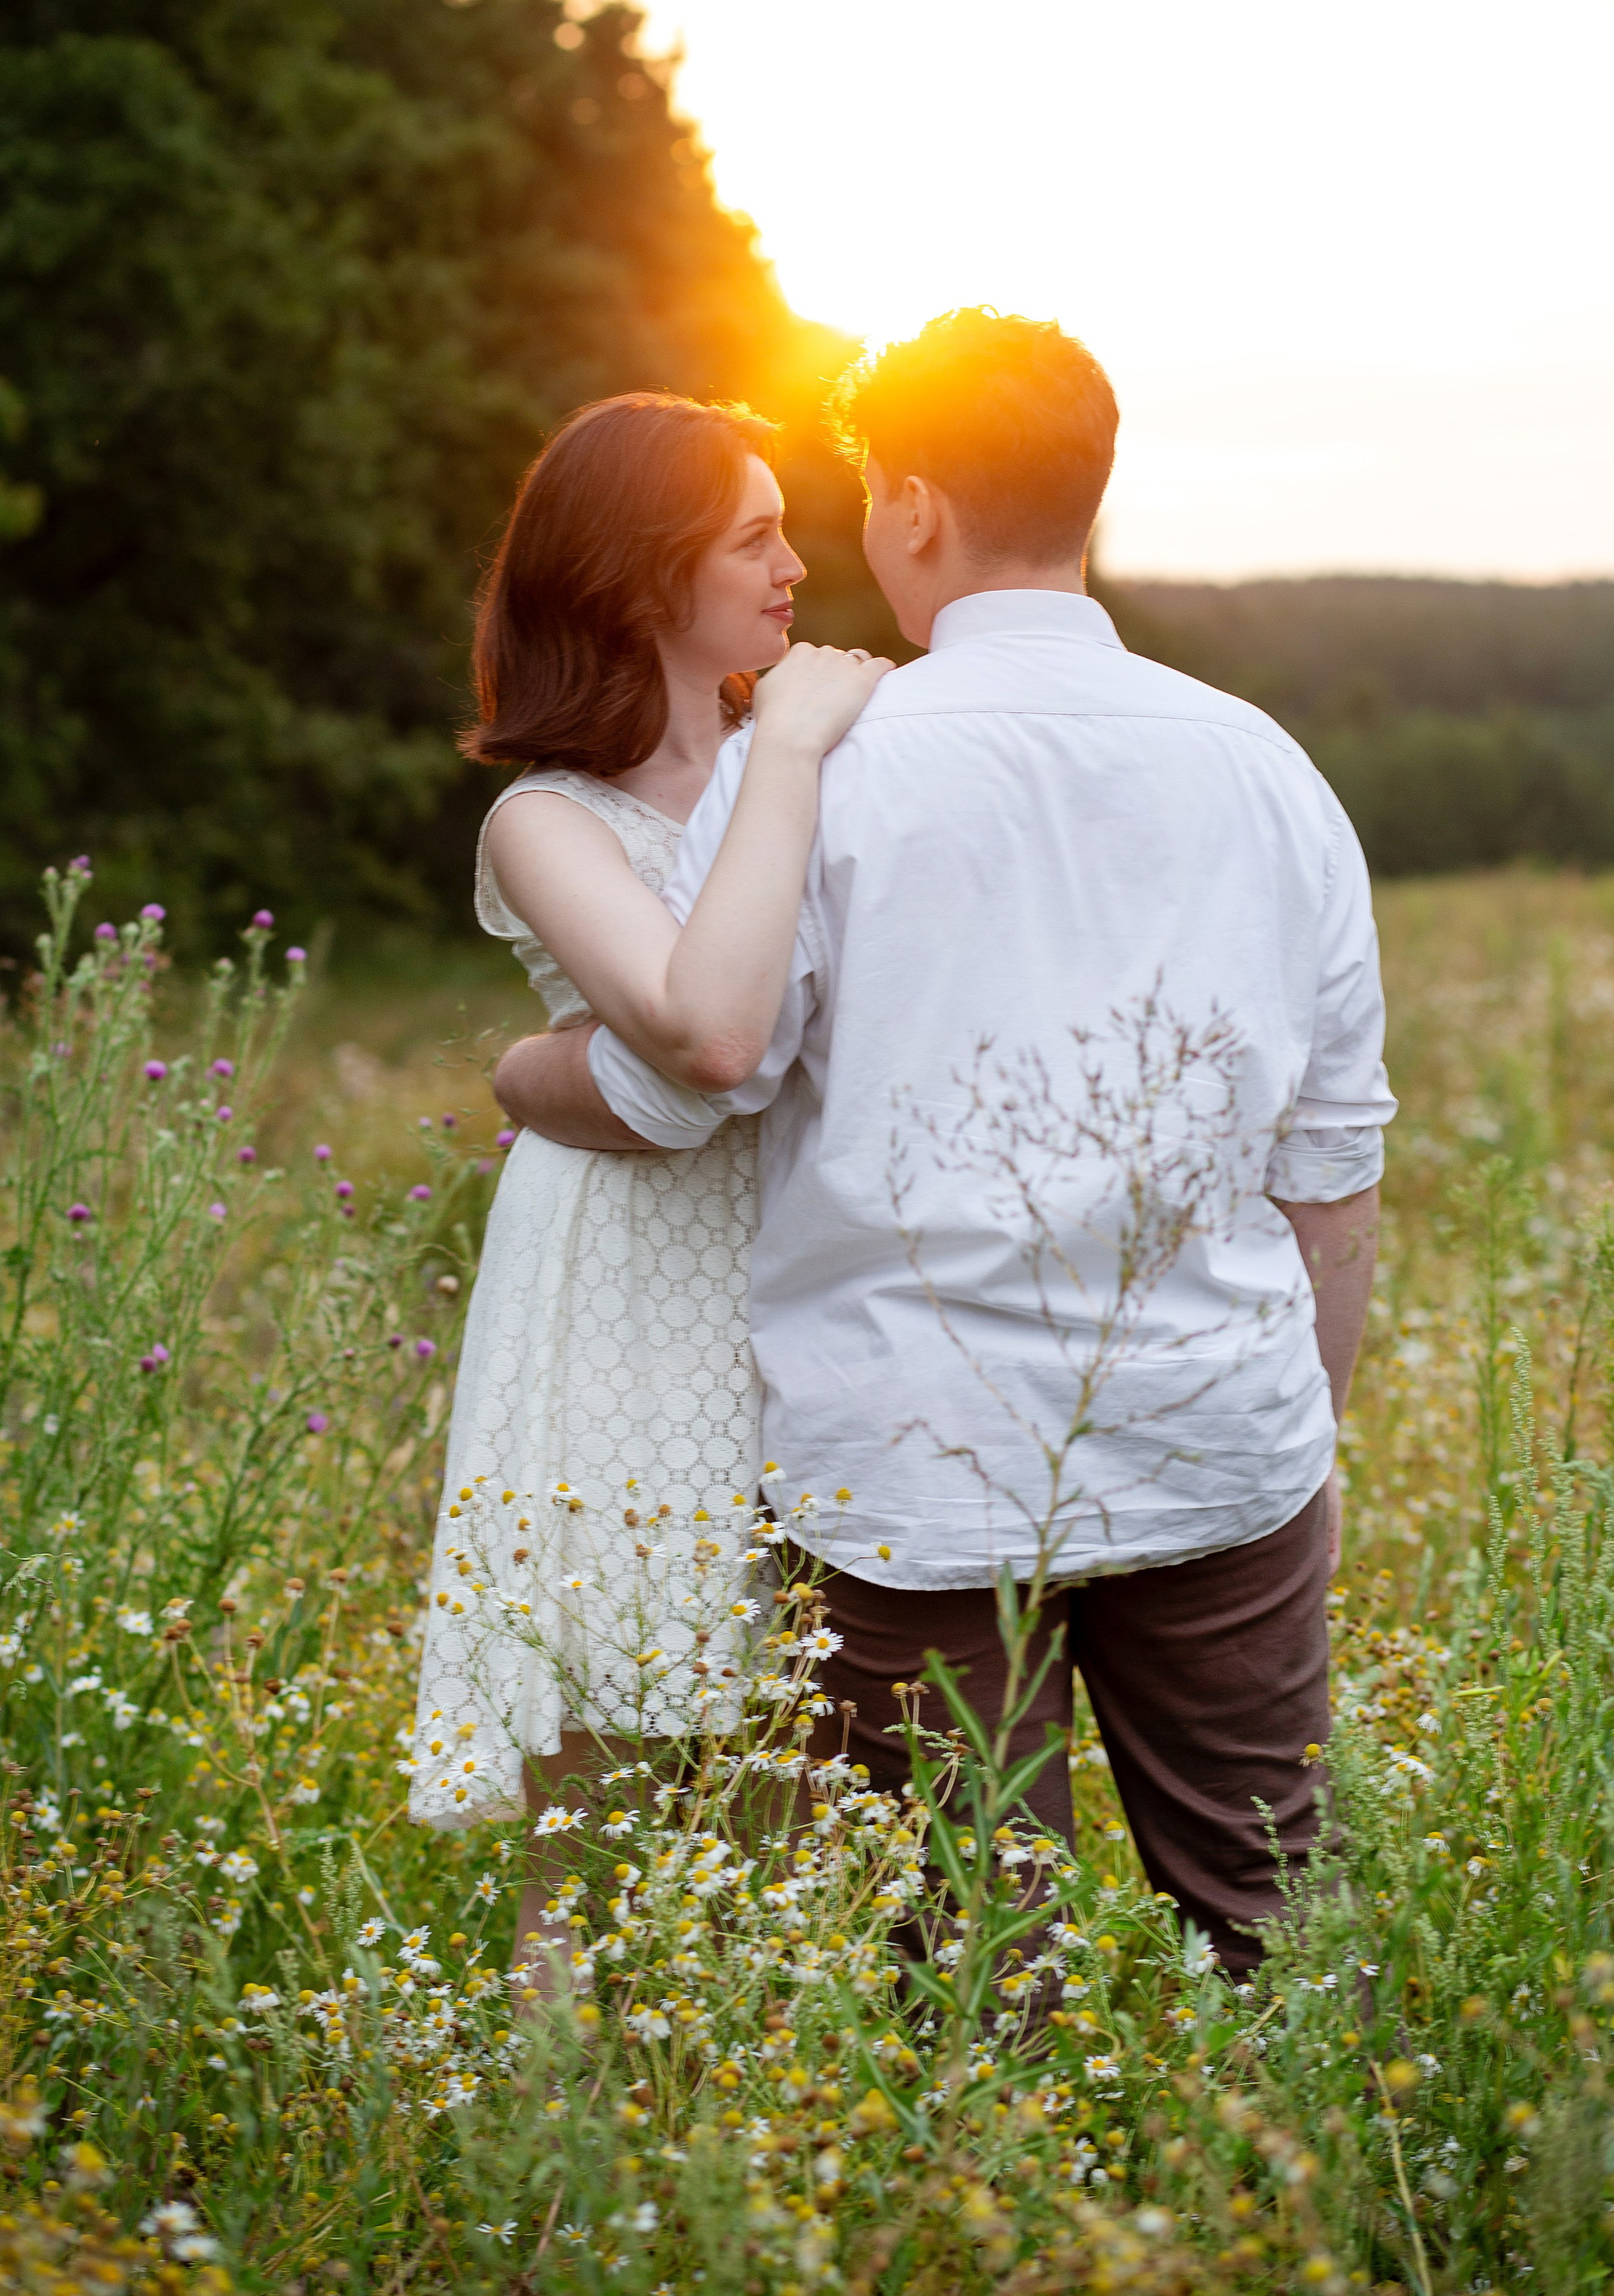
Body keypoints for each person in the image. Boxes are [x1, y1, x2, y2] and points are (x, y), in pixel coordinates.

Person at [493, 311, 1395, 1973]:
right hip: (1223, 1443)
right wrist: (1284, 1437)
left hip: (911, 1468)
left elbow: (691, 1070)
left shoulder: (823, 775)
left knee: (976, 1959)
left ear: (907, 507)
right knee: (1280, 1924)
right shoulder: (1269, 770)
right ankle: (1344, 2215)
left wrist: (521, 1071)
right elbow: (1330, 1172)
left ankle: (997, 2229)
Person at [405, 392, 889, 1854]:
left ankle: (761, 2090)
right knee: (600, 1814)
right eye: (752, 538)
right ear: (640, 575)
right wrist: (792, 750)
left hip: (799, 1278)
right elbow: (700, 1046)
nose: (793, 566)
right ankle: (559, 2092)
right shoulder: (545, 821)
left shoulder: (826, 755)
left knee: (794, 1796)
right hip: (620, 1294)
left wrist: (533, 1072)